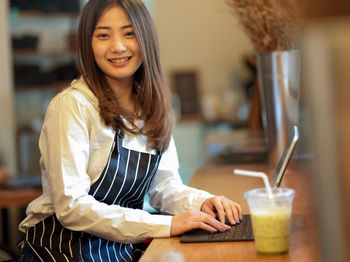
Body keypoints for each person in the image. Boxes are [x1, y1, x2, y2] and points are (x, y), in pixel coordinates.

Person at [18, 0, 242, 261]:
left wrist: (203, 202)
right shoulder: (71, 106)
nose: (118, 47)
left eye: (129, 33)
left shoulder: (154, 105)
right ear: (88, 44)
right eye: (103, 35)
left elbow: (164, 187)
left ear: (145, 38)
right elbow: (72, 207)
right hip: (61, 248)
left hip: (116, 249)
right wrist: (166, 225)